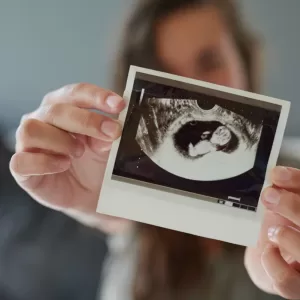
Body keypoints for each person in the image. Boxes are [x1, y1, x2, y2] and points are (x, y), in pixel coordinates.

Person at [9, 0, 300, 299]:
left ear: (245, 60)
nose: (192, 92)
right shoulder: (137, 197)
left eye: (209, 62)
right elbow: (118, 218)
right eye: (165, 74)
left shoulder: (294, 186)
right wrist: (94, 197)